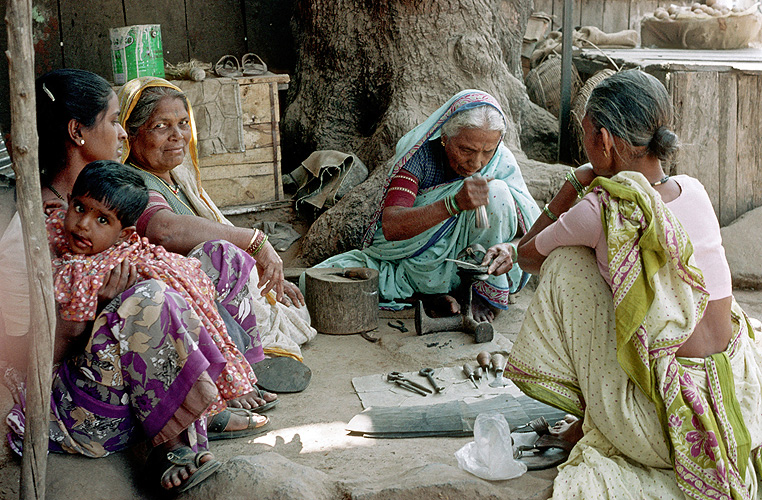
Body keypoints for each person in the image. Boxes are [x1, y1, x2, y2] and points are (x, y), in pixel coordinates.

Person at [505, 70, 762, 498]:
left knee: (566, 263)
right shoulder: (694, 190)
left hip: (664, 428)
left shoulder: (600, 210)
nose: (586, 147)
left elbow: (527, 254)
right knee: (641, 276)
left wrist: (577, 181)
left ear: (604, 141)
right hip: (739, 399)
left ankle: (592, 418)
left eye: (587, 138)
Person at [0, 69, 248, 493]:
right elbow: (25, 358)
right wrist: (95, 310)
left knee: (209, 260)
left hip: (120, 379)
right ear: (78, 131)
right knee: (149, 297)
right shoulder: (32, 232)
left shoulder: (109, 201)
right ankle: (169, 446)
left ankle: (209, 395)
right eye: (114, 120)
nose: (122, 134)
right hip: (74, 404)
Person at [46, 161, 270, 436]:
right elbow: (58, 347)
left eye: (102, 220)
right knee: (154, 298)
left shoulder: (125, 248)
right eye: (79, 209)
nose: (83, 224)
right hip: (88, 379)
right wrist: (102, 306)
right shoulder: (53, 244)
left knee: (223, 255)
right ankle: (192, 418)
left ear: (124, 236)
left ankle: (238, 377)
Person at [118, 76, 316, 367]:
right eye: (160, 126)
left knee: (293, 307)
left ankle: (249, 344)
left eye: (183, 123)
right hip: (175, 294)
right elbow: (164, 230)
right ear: (131, 134)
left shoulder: (177, 176)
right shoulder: (133, 182)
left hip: (210, 285)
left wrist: (260, 274)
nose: (177, 135)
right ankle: (243, 360)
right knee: (229, 260)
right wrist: (255, 241)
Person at [307, 90, 540, 322]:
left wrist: (510, 250)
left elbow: (530, 237)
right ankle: (430, 295)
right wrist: (453, 203)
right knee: (314, 280)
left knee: (497, 192)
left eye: (487, 151)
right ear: (445, 137)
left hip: (473, 264)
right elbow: (392, 226)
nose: (477, 162)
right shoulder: (419, 158)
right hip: (422, 267)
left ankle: (479, 293)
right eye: (466, 150)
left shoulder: (502, 161)